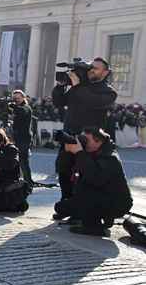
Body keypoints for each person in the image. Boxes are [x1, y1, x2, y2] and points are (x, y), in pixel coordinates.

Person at [52, 57, 117, 204]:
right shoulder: (80, 87)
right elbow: (59, 102)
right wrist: (60, 86)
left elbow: (91, 100)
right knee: (63, 169)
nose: (92, 70)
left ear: (106, 72)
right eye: (91, 67)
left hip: (89, 140)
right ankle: (66, 202)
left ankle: (81, 207)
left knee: (84, 173)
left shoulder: (108, 92)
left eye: (96, 68)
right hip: (70, 134)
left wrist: (77, 86)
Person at [54, 128, 133, 236]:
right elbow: (63, 170)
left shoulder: (110, 157)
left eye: (86, 140)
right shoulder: (88, 152)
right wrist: (67, 152)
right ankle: (97, 218)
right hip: (99, 197)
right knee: (61, 207)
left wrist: (79, 153)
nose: (83, 142)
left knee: (86, 191)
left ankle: (93, 227)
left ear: (98, 141)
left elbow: (96, 178)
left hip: (117, 203)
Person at [11, 90, 34, 185]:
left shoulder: (26, 107)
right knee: (15, 160)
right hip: (17, 137)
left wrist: (14, 107)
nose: (16, 100)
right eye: (14, 98)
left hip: (24, 138)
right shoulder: (18, 107)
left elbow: (23, 111)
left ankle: (28, 182)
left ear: (23, 97)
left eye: (18, 98)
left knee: (23, 162)